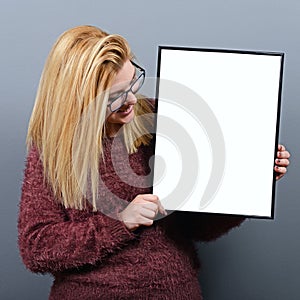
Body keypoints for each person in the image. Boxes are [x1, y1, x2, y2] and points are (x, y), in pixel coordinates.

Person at [18, 25, 290, 300]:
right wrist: (120, 222)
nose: (133, 100)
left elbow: (199, 228)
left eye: (134, 83)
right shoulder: (50, 150)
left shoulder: (163, 117)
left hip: (175, 291)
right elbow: (37, 249)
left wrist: (251, 177)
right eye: (115, 98)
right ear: (79, 99)